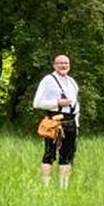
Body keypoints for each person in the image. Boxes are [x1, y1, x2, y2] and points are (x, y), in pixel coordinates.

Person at [32, 53, 80, 188]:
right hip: (54, 122)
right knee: (49, 154)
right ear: (54, 65)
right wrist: (57, 103)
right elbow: (37, 103)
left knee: (67, 155)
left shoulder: (72, 82)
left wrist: (76, 123)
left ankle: (63, 188)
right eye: (60, 63)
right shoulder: (48, 80)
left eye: (66, 63)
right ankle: (45, 187)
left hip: (71, 123)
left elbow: (76, 106)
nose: (63, 66)